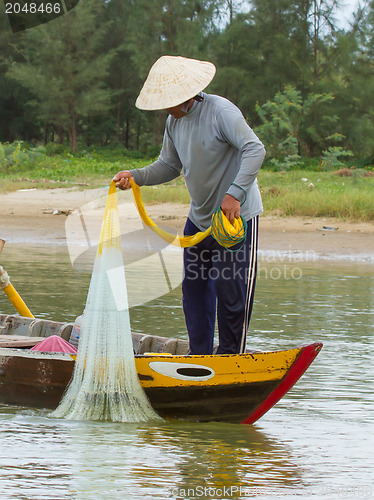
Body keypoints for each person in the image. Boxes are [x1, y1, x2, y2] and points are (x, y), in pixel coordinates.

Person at [114, 55, 265, 355]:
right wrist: (137, 176)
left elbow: (254, 149)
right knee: (194, 290)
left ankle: (231, 357)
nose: (165, 109)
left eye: (168, 101)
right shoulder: (174, 122)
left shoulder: (221, 112)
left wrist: (235, 193)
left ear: (186, 95)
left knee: (230, 291)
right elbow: (169, 165)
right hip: (199, 220)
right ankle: (200, 355)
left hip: (234, 219)